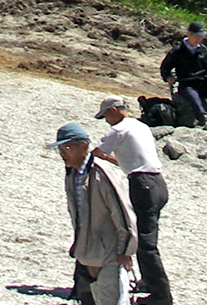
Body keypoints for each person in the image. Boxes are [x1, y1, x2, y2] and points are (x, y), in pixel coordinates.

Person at [93, 97, 168, 305]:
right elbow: (132, 159)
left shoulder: (118, 130)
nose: (106, 120)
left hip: (142, 185)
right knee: (146, 236)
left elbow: (97, 153)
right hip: (158, 183)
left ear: (113, 110)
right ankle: (149, 282)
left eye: (106, 115)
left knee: (145, 243)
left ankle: (161, 296)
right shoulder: (140, 126)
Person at [52, 123, 135, 305]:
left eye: (68, 147)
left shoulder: (101, 173)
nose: (63, 153)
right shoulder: (72, 175)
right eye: (60, 149)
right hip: (88, 255)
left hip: (111, 254)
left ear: (83, 146)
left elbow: (122, 213)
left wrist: (125, 251)